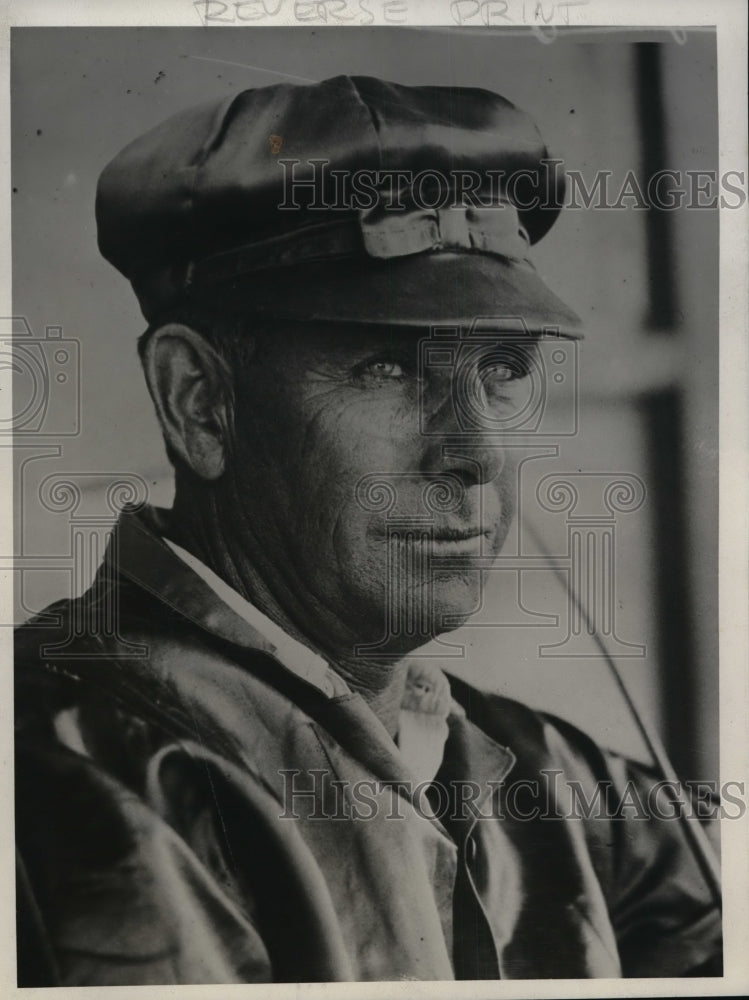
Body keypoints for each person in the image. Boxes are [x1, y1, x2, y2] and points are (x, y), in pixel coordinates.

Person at [14, 75, 721, 985]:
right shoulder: (60, 771)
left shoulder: (547, 778)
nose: (476, 454)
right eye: (388, 367)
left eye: (501, 369)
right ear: (200, 403)